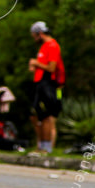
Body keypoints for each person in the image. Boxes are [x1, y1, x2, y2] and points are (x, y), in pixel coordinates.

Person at [29, 21, 64, 155]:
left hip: (48, 84)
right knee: (37, 115)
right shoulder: (44, 47)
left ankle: (46, 147)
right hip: (40, 84)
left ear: (40, 33)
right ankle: (41, 146)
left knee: (47, 116)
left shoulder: (52, 45)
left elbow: (51, 67)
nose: (34, 38)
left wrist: (36, 63)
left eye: (34, 35)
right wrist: (35, 66)